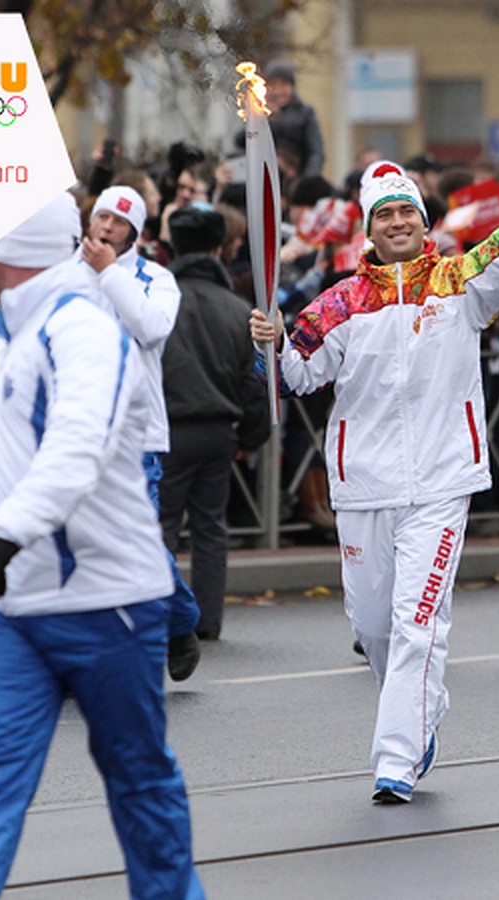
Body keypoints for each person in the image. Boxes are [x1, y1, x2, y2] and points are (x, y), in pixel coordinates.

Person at [249, 110, 499, 804]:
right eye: (384, 214)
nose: (398, 223)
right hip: (362, 484)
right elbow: (296, 379)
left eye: (407, 213)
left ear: (424, 221)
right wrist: (270, 345)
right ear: (369, 227)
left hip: (443, 480)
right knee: (373, 628)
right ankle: (421, 709)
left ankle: (396, 757)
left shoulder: (461, 281)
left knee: (420, 622)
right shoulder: (337, 303)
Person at [0, 194, 204, 899]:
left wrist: (8, 534)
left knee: (137, 779)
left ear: (1, 253)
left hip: (106, 603)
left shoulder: (84, 327)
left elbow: (80, 444)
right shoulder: (11, 329)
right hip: (10, 605)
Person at [79, 185, 202, 675]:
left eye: (119, 223)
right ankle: (82, 653)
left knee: (138, 541)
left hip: (136, 435)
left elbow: (151, 328)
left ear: (135, 232)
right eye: (101, 217)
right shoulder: (58, 274)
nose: (107, 229)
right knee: (77, 543)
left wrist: (108, 275)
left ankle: (178, 620)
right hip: (73, 430)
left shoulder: (156, 278)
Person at [160, 205, 271, 645]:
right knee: (210, 527)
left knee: (161, 524)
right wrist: (249, 436)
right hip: (219, 431)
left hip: (166, 428)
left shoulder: (157, 299)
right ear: (220, 248)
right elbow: (254, 381)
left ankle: (165, 615)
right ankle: (207, 620)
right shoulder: (236, 307)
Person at [263, 59, 326, 179]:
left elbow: (316, 151)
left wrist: (308, 180)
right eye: (273, 85)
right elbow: (241, 140)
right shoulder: (260, 112)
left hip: (298, 176)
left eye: (283, 85)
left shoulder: (304, 113)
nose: (278, 91)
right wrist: (264, 118)